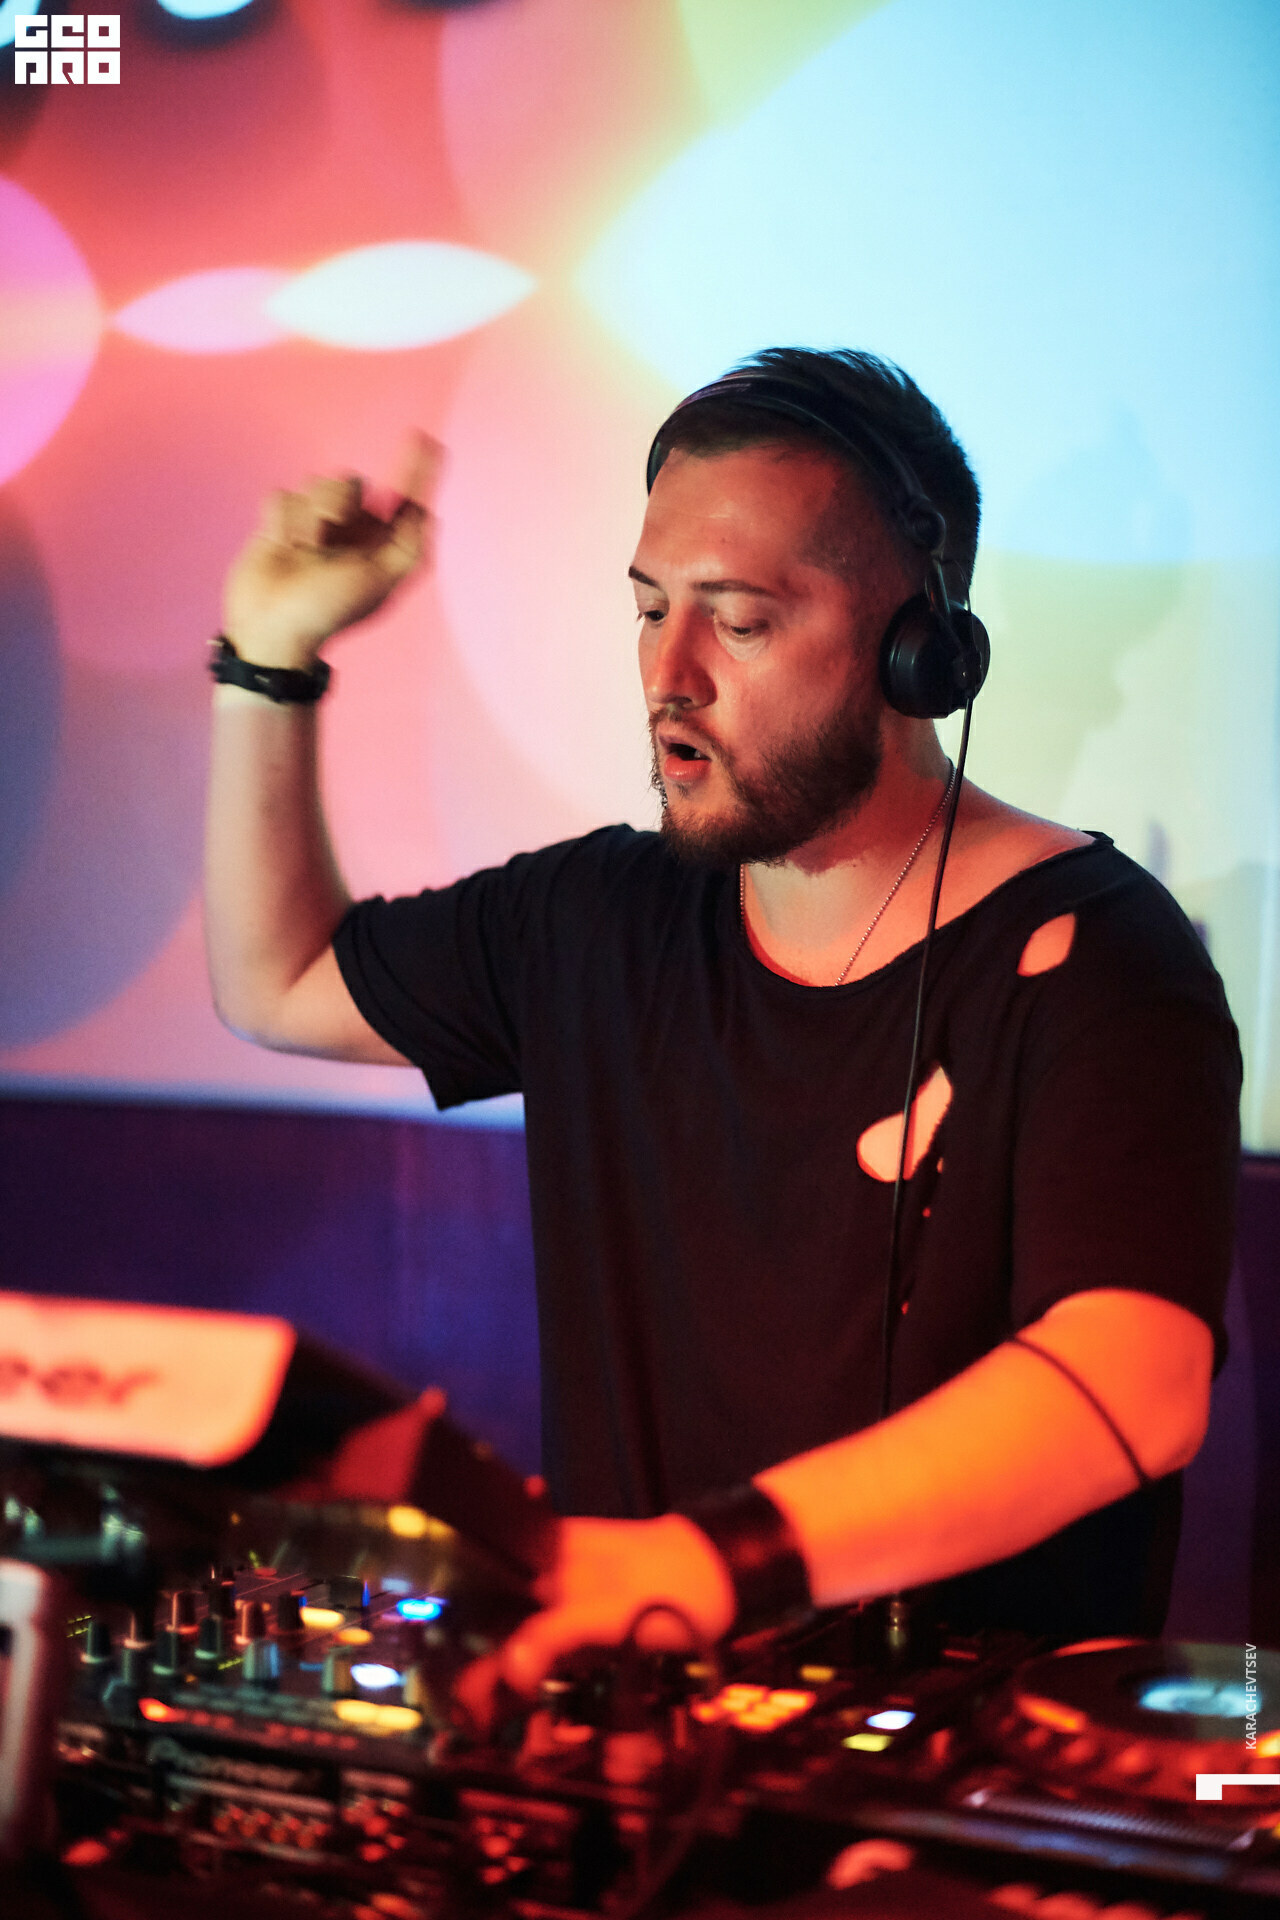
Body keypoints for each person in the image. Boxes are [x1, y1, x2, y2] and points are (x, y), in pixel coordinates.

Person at [204, 349, 1240, 1704]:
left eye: (739, 622)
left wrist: (712, 1563)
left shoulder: (1099, 959)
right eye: (650, 610)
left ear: (918, 653)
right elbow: (279, 980)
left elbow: (1135, 1382)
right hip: (634, 1745)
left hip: (957, 1780)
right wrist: (269, 658)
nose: (670, 673)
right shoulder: (596, 916)